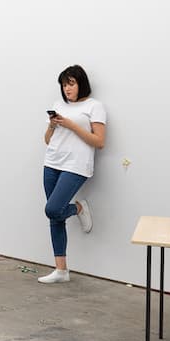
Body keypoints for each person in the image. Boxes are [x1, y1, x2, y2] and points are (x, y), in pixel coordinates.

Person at [38, 64, 107, 284]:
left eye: (71, 83)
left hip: (76, 165)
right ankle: (61, 271)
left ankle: (78, 207)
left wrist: (70, 124)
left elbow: (99, 142)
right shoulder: (59, 105)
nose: (67, 89)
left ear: (80, 83)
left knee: (53, 209)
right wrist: (52, 125)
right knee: (54, 217)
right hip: (52, 162)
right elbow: (48, 141)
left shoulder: (95, 106)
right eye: (63, 85)